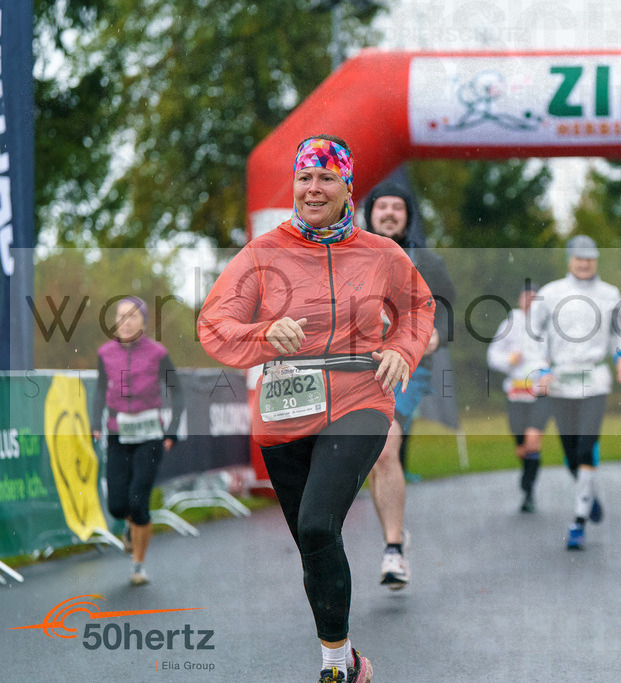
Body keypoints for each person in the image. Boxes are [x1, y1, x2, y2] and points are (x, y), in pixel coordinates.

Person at [197, 135, 434, 683]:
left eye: (326, 177)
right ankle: (346, 656)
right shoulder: (262, 252)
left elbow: (418, 310)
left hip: (359, 398)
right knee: (313, 539)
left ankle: (331, 667)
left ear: (348, 185)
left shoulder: (382, 254)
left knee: (317, 522)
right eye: (305, 177)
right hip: (285, 411)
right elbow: (214, 323)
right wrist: (262, 331)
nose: (313, 188)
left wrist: (401, 347)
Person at [361, 179, 456, 590]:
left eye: (397, 207)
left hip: (406, 366)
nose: (389, 213)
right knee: (371, 457)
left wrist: (438, 333)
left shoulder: (427, 261)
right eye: (382, 206)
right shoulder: (351, 256)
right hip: (355, 366)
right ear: (370, 213)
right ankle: (394, 535)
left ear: (407, 216)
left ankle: (394, 550)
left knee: (384, 448)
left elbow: (449, 310)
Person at [529, 234, 621, 550]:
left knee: (587, 447)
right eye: (579, 258)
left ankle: (578, 520)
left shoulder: (610, 294)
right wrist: (541, 369)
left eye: (590, 258)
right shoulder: (550, 294)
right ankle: (589, 496)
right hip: (561, 379)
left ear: (596, 260)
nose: (584, 263)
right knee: (572, 453)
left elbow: (620, 332)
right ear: (569, 260)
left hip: (595, 379)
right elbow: (535, 336)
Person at [90, 296, 183, 586]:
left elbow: (177, 392)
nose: (126, 321)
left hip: (150, 436)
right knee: (118, 505)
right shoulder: (105, 353)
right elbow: (98, 391)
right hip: (118, 432)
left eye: (132, 316)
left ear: (143, 320)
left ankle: (138, 565)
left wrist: (172, 431)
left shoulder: (157, 353)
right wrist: (95, 423)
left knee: (138, 499)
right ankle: (130, 528)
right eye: (120, 316)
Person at [486, 282, 551, 512]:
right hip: (515, 392)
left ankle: (528, 490)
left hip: (540, 392)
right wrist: (508, 360)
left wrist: (550, 372)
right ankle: (528, 480)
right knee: (522, 447)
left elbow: (558, 355)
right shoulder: (509, 323)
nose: (530, 302)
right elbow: (492, 355)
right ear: (519, 299)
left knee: (533, 441)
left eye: (535, 298)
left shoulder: (547, 325)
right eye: (527, 297)